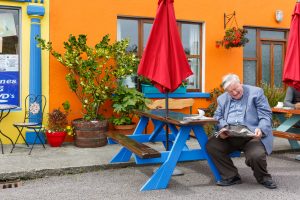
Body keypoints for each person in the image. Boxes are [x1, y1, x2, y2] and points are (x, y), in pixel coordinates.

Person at [206, 73, 277, 189]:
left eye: (235, 89)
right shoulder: (222, 99)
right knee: (212, 145)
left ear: (241, 83)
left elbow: (266, 115)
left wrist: (261, 128)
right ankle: (232, 176)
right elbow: (217, 117)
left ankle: (264, 178)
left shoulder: (256, 93)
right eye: (230, 91)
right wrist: (223, 127)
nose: (233, 93)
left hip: (252, 135)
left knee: (256, 155)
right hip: (231, 135)